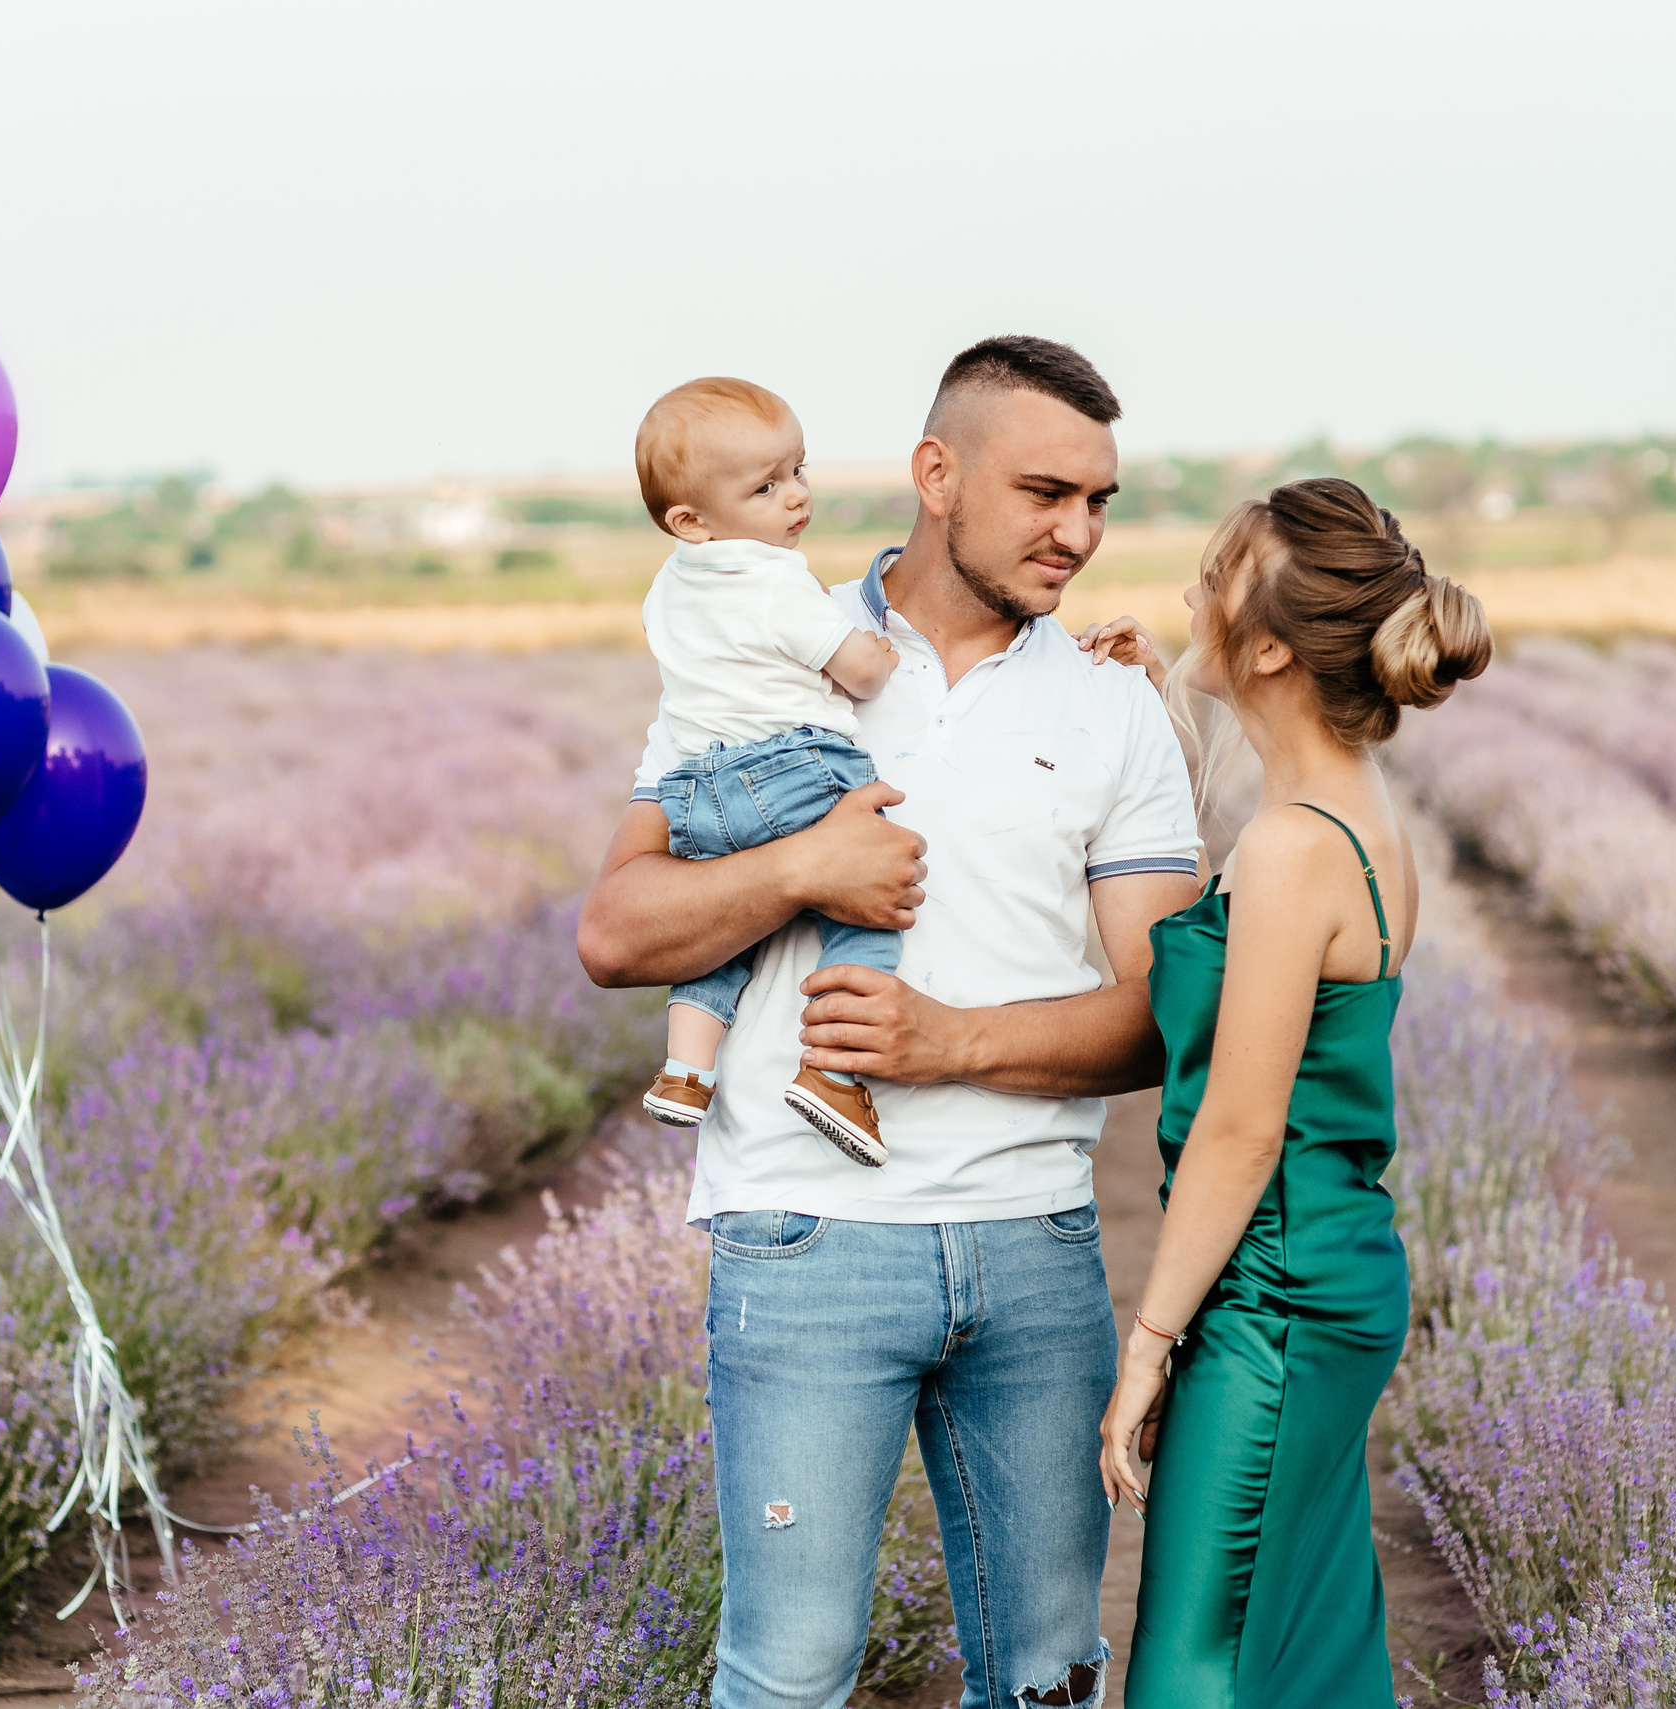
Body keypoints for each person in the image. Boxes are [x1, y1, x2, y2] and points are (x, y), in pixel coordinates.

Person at [578, 335, 1203, 1709]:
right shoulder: (764, 649)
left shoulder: (1111, 704)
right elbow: (616, 932)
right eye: (1046, 490)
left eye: (1099, 500)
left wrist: (946, 1043)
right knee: (789, 1675)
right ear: (936, 473)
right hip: (804, 1241)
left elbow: (1169, 1019)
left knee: (1049, 1674)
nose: (1078, 532)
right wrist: (802, 869)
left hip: (1034, 1249)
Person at [1089, 478, 1492, 1706]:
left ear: (1268, 643)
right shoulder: (1343, 817)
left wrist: (1149, 1344)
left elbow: (1242, 1121)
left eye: (1217, 572)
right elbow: (1214, 970)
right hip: (1325, 1274)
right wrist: (1166, 720)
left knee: (1194, 1664)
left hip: (1271, 1300)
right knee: (1293, 1639)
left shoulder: (1293, 847)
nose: (1192, 588)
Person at [630, 376, 906, 1164]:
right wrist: (877, 653)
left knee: (724, 941)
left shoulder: (669, 587)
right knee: (871, 899)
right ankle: (831, 1072)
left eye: (799, 471)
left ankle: (686, 1070)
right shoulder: (776, 578)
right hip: (793, 767)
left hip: (695, 792)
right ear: (691, 518)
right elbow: (856, 669)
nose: (797, 497)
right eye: (766, 485)